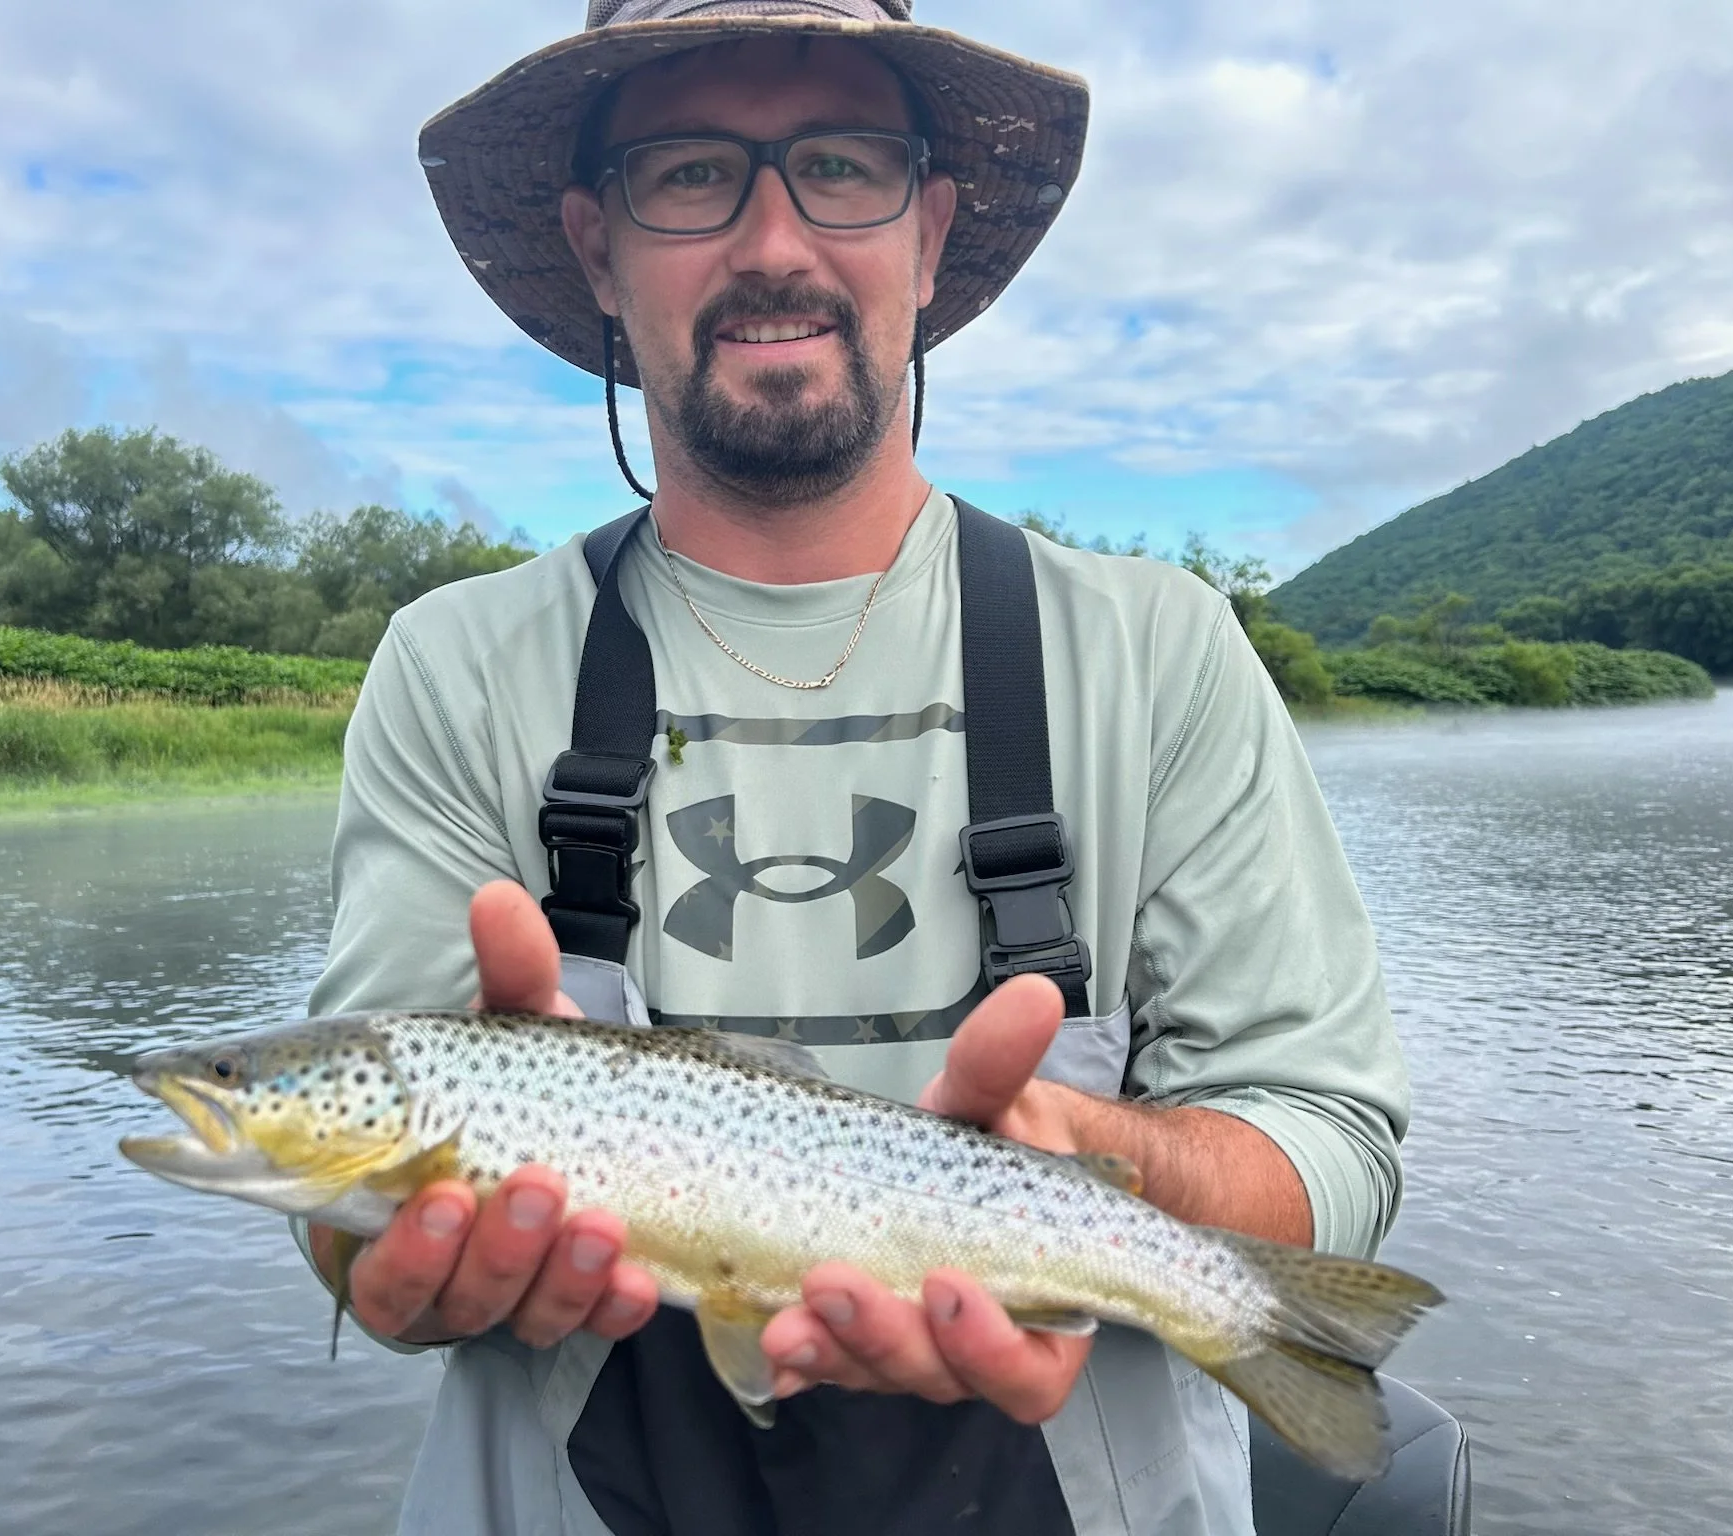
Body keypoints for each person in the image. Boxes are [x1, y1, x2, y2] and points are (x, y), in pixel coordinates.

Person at [300, 4, 1410, 1533]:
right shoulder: (453, 664)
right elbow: (350, 1242)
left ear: (932, 232)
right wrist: (393, 1268)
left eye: (840, 164)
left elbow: (1332, 1142)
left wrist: (1094, 1167)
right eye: (688, 173)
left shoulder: (1162, 648)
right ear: (597, 245)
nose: (773, 241)